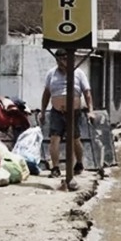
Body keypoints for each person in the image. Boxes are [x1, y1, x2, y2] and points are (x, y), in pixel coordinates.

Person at [40, 50, 93, 178]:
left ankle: (79, 163)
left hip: (74, 112)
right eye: (59, 60)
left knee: (75, 139)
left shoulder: (78, 73)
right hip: (57, 111)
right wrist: (42, 111)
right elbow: (46, 94)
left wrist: (91, 111)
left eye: (64, 59)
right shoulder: (51, 74)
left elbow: (87, 93)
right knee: (54, 139)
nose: (61, 62)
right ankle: (55, 168)